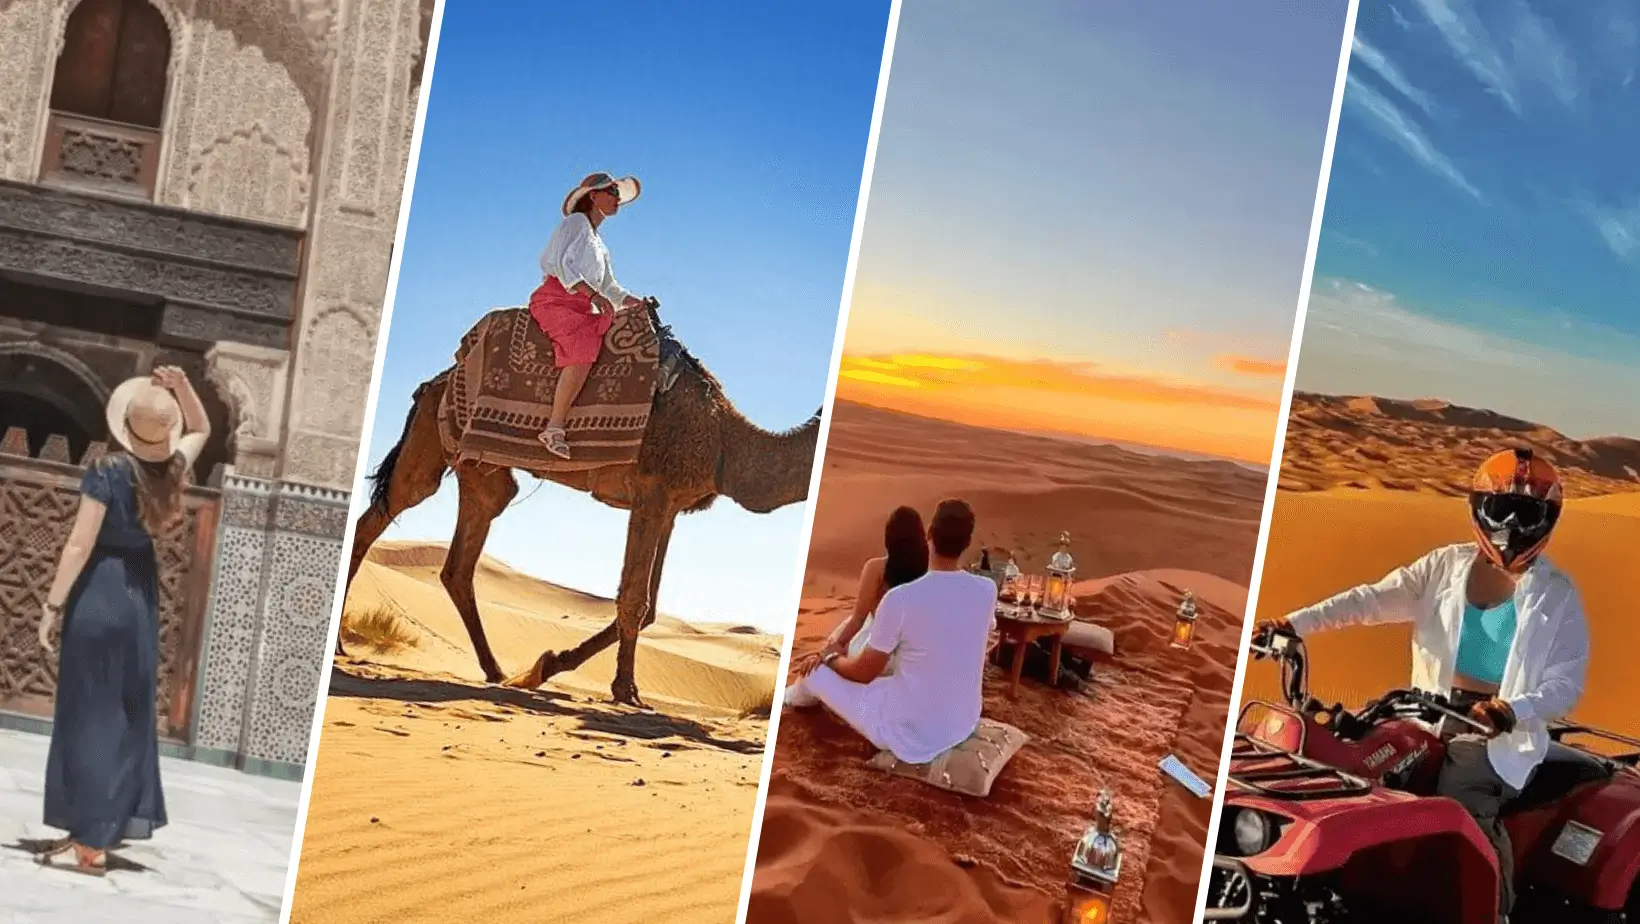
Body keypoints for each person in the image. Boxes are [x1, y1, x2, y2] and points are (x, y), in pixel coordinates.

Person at [1253, 448, 1587, 924]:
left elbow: (1565, 682)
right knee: (1352, 761)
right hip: (1420, 709)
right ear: (1478, 508)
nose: (1510, 522)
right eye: (1499, 508)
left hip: (1494, 735)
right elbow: (1369, 600)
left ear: (1546, 518)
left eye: (1527, 511)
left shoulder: (1556, 594)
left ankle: (1493, 912)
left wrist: (1511, 709)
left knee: (1462, 801)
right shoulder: (1444, 567)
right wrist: (1292, 624)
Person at [33, 366, 210, 876]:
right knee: (123, 714)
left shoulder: (108, 470)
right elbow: (201, 429)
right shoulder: (172, 469)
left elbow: (80, 543)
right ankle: (91, 828)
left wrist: (51, 604)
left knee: (89, 713)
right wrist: (182, 386)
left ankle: (91, 840)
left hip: (98, 593)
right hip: (139, 598)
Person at [785, 499, 998, 765]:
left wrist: (829, 657)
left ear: (930, 533)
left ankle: (790, 699)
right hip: (963, 720)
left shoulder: (900, 599)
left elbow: (864, 673)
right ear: (968, 542)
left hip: (907, 732)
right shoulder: (987, 590)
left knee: (813, 672)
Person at [530, 171, 653, 458]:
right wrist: (593, 295)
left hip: (582, 304)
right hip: (556, 300)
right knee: (583, 345)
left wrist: (636, 303)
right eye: (610, 191)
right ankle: (554, 427)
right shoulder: (575, 223)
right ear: (592, 196)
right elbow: (562, 264)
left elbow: (610, 286)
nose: (616, 198)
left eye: (617, 193)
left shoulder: (600, 244)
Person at [815, 506, 929, 677]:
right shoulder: (929, 571)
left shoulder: (876, 568)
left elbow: (858, 618)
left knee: (825, 665)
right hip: (913, 658)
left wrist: (837, 646)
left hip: (872, 654)